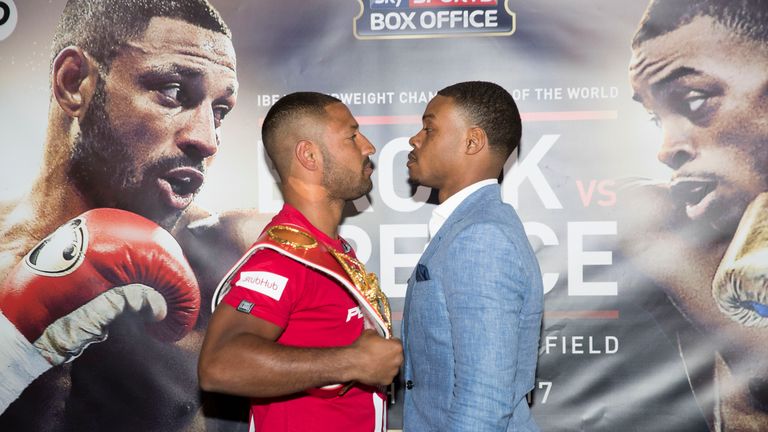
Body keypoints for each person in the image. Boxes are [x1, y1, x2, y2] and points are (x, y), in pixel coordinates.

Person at [0, 0, 266, 430]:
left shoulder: (235, 263)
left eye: (219, 112)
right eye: (175, 92)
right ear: (74, 83)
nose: (207, 140)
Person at [198, 92, 403, 432]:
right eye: (352, 136)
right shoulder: (283, 260)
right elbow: (219, 364)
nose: (368, 146)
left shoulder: (329, 251)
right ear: (309, 154)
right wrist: (353, 361)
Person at [621, 0, 768, 429]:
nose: (666, 150)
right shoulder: (725, 229)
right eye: (655, 118)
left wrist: (660, 244)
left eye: (694, 100)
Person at [401, 81, 544, 431]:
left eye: (429, 128)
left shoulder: (480, 237)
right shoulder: (474, 226)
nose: (414, 139)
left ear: (472, 141)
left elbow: (484, 401)